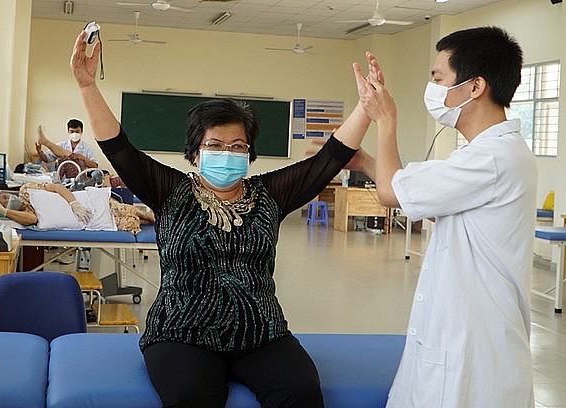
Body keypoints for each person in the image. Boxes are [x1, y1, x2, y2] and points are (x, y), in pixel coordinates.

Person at [70, 28, 376, 407]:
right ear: (195, 153)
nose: (226, 153)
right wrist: (86, 86)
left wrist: (365, 106)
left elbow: (328, 158)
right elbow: (119, 148)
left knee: (301, 392)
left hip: (260, 334)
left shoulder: (269, 195)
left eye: (237, 147)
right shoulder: (171, 191)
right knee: (190, 395)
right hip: (181, 333)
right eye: (214, 145)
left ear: (249, 155)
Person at [356, 27, 537, 407]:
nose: (433, 88)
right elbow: (417, 190)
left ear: (475, 87)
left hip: (474, 342)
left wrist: (386, 120)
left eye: (438, 78)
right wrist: (364, 162)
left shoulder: (491, 158)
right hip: (464, 331)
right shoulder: (491, 153)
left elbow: (392, 193)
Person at [0, 183, 154, 232]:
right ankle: (154, 222)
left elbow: (57, 188)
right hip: (88, 220)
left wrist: (74, 204)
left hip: (85, 203)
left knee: (128, 211)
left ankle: (155, 217)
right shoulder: (23, 213)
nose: (7, 200)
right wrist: (4, 212)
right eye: (3, 203)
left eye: (4, 197)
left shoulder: (26, 190)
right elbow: (33, 219)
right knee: (130, 223)